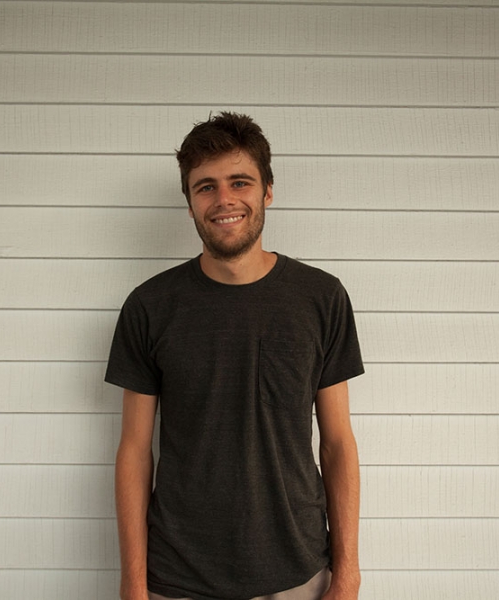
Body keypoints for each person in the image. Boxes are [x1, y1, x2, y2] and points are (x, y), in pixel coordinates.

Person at [106, 112, 364, 600]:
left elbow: (338, 444)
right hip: (177, 579)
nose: (223, 200)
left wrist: (347, 575)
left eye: (239, 182)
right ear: (189, 203)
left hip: (299, 575)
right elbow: (135, 452)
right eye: (205, 187)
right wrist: (133, 586)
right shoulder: (150, 306)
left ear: (267, 190)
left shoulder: (322, 299)